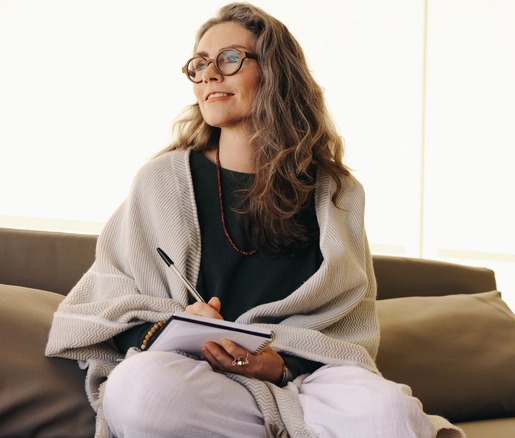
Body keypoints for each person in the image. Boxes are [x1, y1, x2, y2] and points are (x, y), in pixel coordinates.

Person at [45, 3, 463, 437]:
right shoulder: (161, 183)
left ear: (275, 72)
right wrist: (176, 326)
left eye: (228, 59)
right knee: (138, 390)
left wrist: (281, 363)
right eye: (199, 64)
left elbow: (346, 331)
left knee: (389, 409)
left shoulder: (336, 193)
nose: (209, 75)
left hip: (307, 384)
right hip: (198, 379)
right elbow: (108, 303)